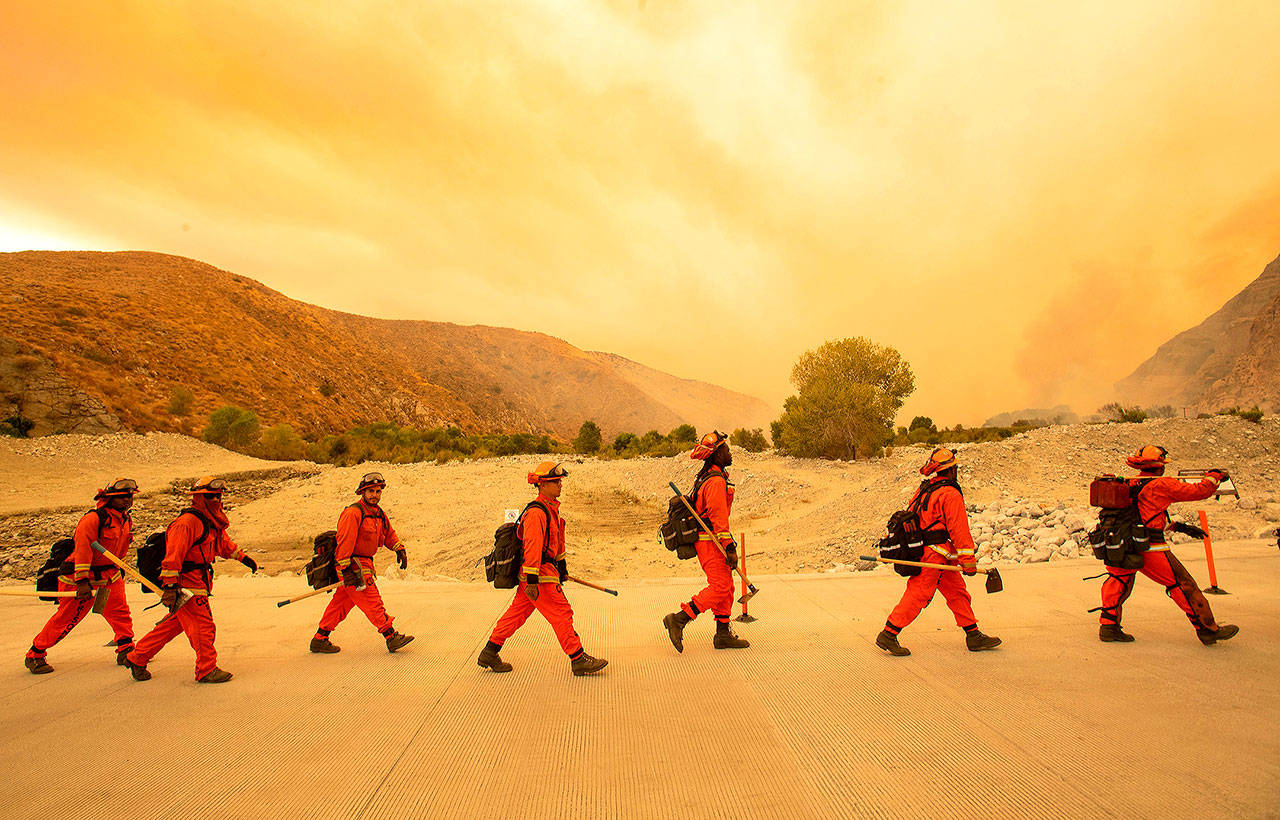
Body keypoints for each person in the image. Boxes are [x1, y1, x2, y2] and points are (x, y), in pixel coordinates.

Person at [1095, 445, 1239, 645]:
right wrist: (1214, 477)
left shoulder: (1131, 482)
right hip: (1149, 546)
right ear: (1159, 465)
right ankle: (1207, 628)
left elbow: (1141, 511)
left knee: (1118, 582)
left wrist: (1176, 526)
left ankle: (1108, 627)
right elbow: (1199, 491)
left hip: (1121, 542)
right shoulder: (1162, 484)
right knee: (1183, 583)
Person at [477, 461, 608, 676]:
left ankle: (490, 652)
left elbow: (556, 544)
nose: (560, 485)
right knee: (562, 612)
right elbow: (532, 547)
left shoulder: (551, 510)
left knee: (516, 614)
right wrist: (531, 581)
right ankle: (578, 658)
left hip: (543, 572)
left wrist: (562, 568)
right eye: (555, 482)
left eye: (559, 481)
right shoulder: (537, 513)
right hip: (539, 574)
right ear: (542, 485)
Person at [124, 476, 258, 683]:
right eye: (211, 496)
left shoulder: (209, 522)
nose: (217, 499)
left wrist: (242, 557)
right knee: (204, 626)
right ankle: (206, 669)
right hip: (187, 584)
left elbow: (222, 543)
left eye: (218, 496)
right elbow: (173, 557)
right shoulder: (186, 524)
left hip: (200, 581)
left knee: (174, 625)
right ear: (198, 498)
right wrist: (170, 587)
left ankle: (137, 657)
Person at [875, 447, 1001, 657]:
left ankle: (973, 634)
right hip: (934, 554)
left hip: (934, 552)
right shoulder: (950, 494)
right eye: (955, 468)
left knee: (957, 592)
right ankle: (889, 633)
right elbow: (958, 529)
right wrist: (968, 560)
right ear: (951, 471)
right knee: (918, 593)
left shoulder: (926, 488)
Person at [25, 478, 139, 674]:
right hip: (79, 577)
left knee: (119, 612)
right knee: (67, 617)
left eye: (130, 496)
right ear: (109, 498)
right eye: (122, 497)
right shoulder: (93, 520)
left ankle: (125, 648)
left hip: (109, 574)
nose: (127, 500)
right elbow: (83, 551)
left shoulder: (125, 519)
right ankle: (35, 654)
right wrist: (82, 581)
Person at [662, 431, 750, 652]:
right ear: (717, 454)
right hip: (711, 543)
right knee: (720, 587)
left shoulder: (710, 477)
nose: (730, 452)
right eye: (726, 449)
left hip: (710, 541)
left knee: (727, 587)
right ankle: (679, 619)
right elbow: (718, 518)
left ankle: (722, 634)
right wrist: (729, 547)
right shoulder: (715, 482)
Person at [310, 472, 414, 654]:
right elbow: (345, 542)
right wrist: (346, 569)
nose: (375, 495)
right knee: (372, 601)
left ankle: (320, 639)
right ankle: (391, 636)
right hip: (353, 566)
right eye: (371, 491)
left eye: (378, 491)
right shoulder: (353, 513)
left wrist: (399, 548)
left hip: (363, 564)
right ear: (362, 493)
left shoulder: (378, 514)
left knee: (340, 604)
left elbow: (389, 533)